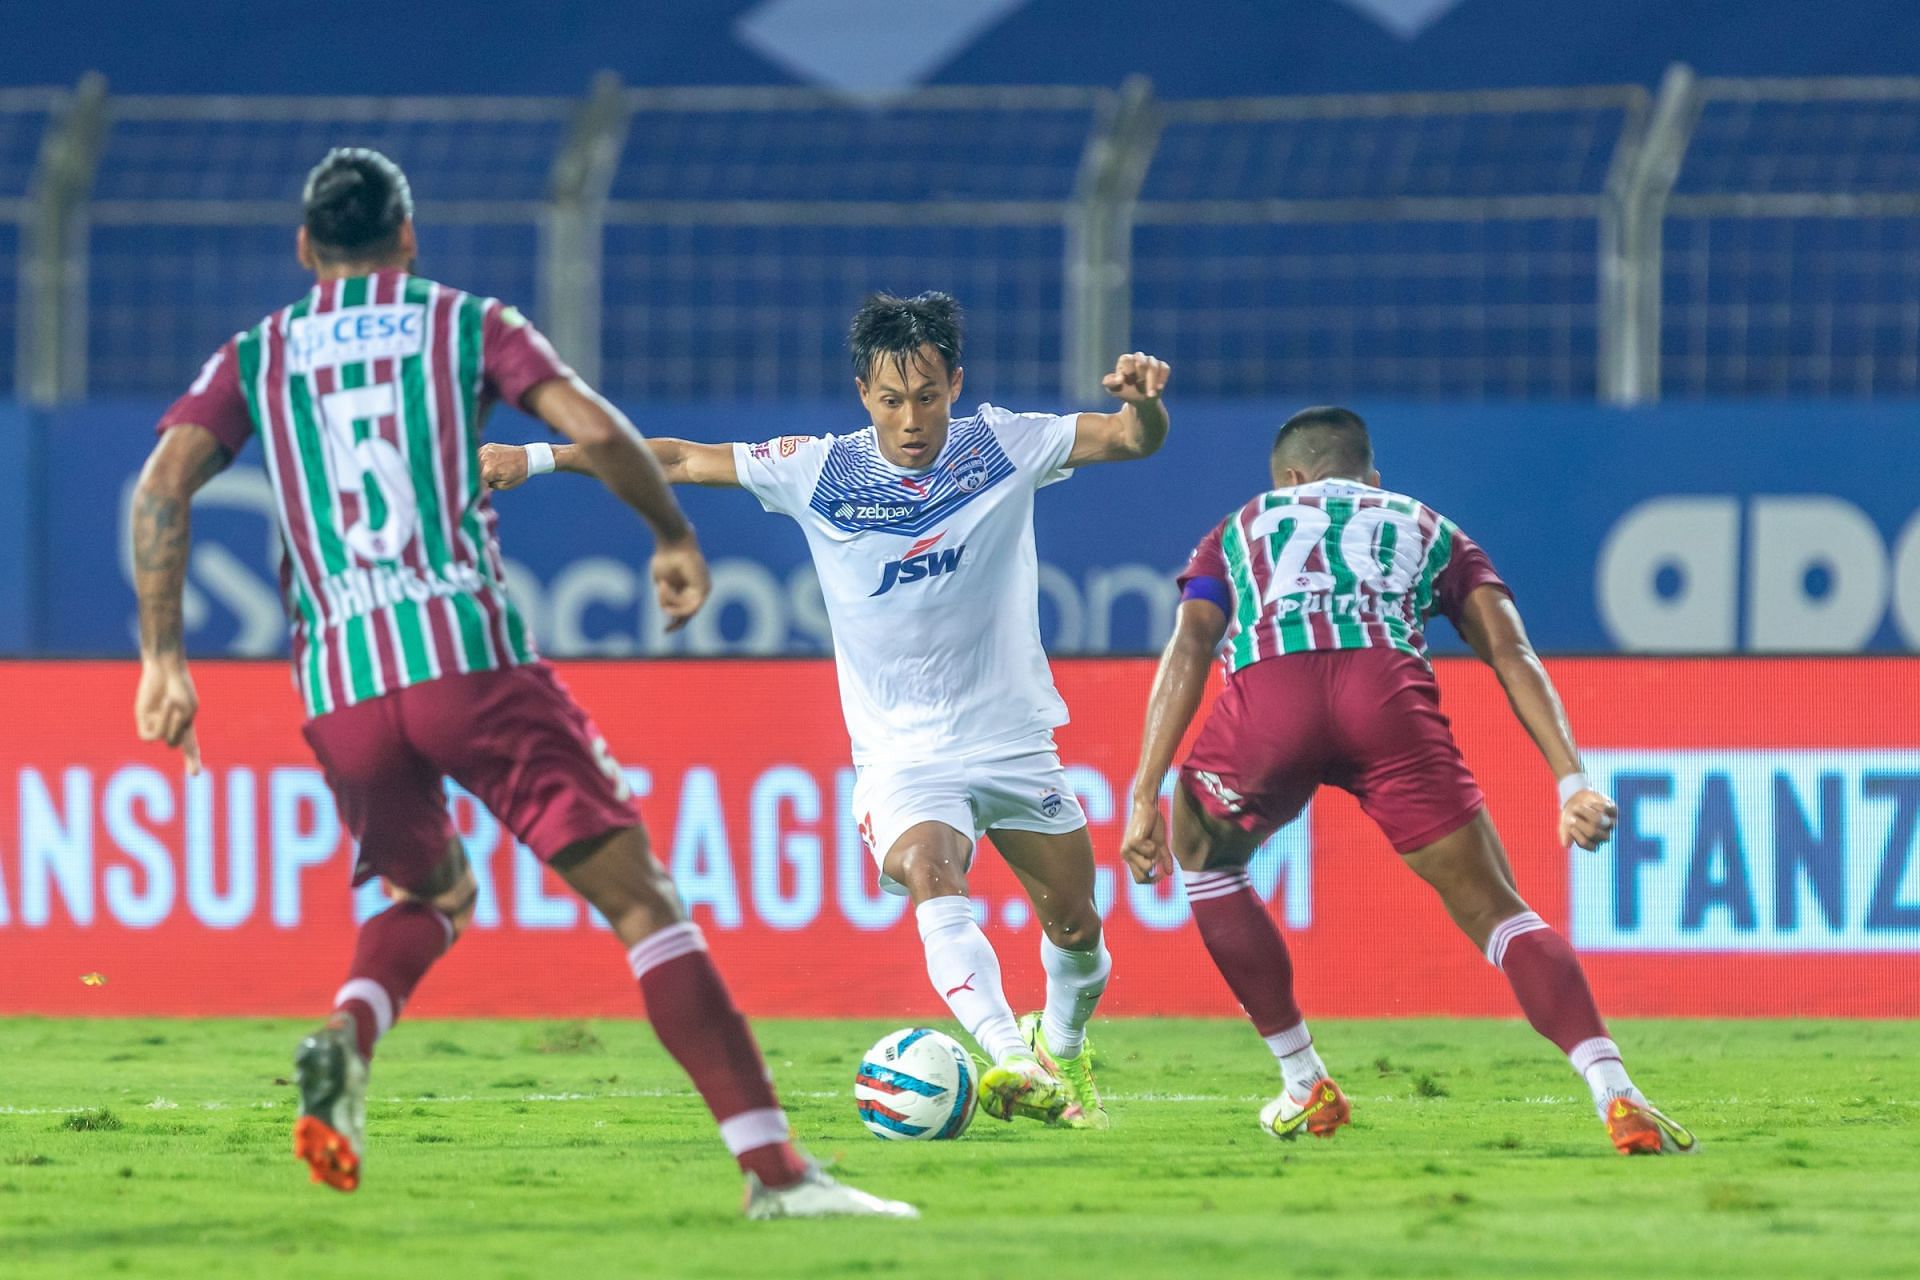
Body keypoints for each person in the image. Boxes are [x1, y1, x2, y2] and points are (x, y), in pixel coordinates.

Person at [129, 147, 914, 1218]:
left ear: (307, 250)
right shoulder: (464, 321)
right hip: (464, 651)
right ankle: (778, 1173)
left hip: (342, 683)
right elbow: (589, 423)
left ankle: (349, 1036)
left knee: (431, 892)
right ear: (408, 237)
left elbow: (165, 480)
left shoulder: (255, 353)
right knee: (643, 903)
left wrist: (163, 655)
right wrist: (671, 533)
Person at [482, 292, 1171, 1130]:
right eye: (890, 399)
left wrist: (1145, 405)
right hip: (903, 756)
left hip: (1013, 740)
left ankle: (1059, 1050)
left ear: (955, 383)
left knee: (1077, 930)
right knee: (930, 872)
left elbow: (1130, 440)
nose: (911, 418)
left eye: (927, 396)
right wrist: (539, 457)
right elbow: (679, 461)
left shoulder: (1008, 443)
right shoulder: (817, 467)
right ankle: (1012, 1057)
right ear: (862, 395)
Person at [1118, 406, 1696, 1156]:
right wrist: (1570, 781)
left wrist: (1144, 794)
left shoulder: (1241, 525)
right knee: (1497, 909)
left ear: (1292, 477)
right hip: (1385, 701)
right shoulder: (1426, 523)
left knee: (1206, 856)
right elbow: (1509, 650)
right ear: (1371, 478)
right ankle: (1616, 1092)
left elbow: (1192, 642)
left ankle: (1304, 1081)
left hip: (1272, 700)